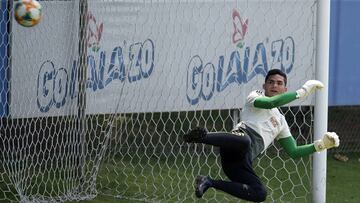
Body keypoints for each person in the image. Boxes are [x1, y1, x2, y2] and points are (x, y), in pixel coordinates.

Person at [183, 69, 340, 202]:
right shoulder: (255, 96)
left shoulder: (281, 121)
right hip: (235, 143)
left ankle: (209, 182)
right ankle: (200, 137)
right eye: (271, 82)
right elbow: (271, 103)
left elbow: (294, 151)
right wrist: (302, 92)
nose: (274, 85)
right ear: (264, 86)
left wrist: (321, 145)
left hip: (241, 163)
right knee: (245, 141)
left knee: (260, 193)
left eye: (279, 83)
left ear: (285, 89)